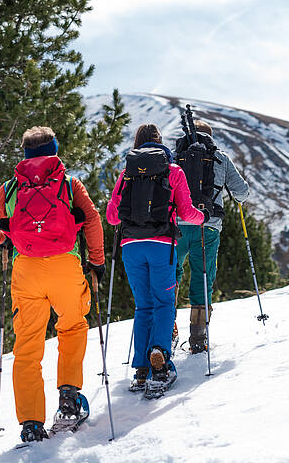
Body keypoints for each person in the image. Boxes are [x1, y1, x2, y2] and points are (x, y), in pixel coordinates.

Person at [0, 126, 105, 442]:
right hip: (65, 265)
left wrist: (5, 239)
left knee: (27, 347)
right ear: (55, 150)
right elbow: (92, 220)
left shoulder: (9, 189)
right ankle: (69, 401)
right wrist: (97, 262)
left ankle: (32, 423)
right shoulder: (70, 184)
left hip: (26, 269)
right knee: (73, 328)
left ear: (25, 155)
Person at [106, 123, 207, 395]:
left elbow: (113, 216)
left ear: (137, 143)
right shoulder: (173, 171)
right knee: (164, 303)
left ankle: (140, 369)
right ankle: (160, 358)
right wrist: (203, 217)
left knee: (143, 307)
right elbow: (187, 212)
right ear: (160, 142)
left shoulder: (126, 173)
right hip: (163, 245)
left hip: (131, 246)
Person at [175, 120, 250, 353]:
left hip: (176, 226)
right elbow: (242, 192)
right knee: (202, 277)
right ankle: (198, 337)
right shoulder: (220, 158)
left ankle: (167, 331)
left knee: (169, 277)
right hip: (207, 226)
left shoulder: (176, 157)